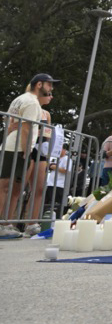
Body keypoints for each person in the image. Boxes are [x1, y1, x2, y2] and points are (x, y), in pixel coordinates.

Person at [1, 74, 57, 230]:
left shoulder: (32, 105)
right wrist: (26, 150)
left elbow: (45, 132)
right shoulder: (30, 103)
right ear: (39, 85)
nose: (51, 91)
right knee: (10, 187)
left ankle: (22, 223)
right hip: (22, 147)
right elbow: (22, 127)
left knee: (28, 188)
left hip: (31, 149)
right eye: (49, 86)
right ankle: (5, 222)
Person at [45, 146, 70, 216]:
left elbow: (67, 170)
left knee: (56, 204)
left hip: (59, 185)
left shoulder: (66, 159)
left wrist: (54, 167)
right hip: (50, 184)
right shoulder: (56, 159)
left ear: (64, 150)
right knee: (48, 203)